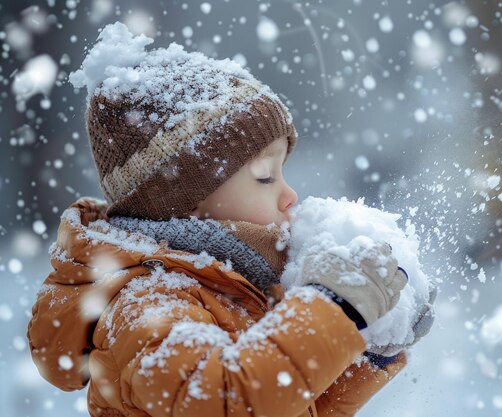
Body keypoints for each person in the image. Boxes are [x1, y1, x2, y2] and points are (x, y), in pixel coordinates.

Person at [27, 22, 432, 417]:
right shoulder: (148, 301)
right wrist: (333, 309)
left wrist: (365, 351)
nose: (290, 195)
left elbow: (287, 404)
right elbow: (224, 400)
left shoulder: (229, 288)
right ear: (187, 202)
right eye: (264, 176)